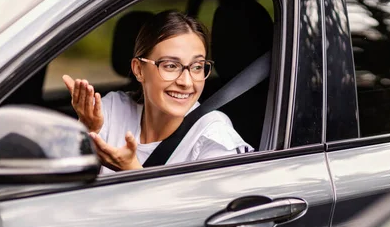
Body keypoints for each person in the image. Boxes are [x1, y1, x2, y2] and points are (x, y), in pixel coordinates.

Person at [63, 10, 252, 174]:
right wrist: (87, 130)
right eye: (170, 66)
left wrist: (131, 171)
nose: (186, 82)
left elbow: (200, 215)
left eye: (197, 67)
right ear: (138, 69)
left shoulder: (214, 138)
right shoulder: (112, 110)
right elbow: (65, 185)